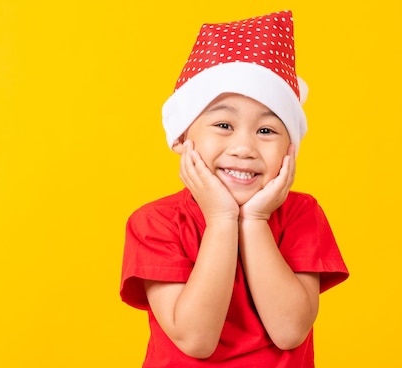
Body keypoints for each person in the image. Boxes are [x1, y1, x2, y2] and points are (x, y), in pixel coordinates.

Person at [120, 10, 349, 367]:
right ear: (182, 137)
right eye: (224, 124)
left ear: (290, 147)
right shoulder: (154, 223)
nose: (244, 148)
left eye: (267, 131)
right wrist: (222, 219)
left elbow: (290, 330)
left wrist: (255, 220)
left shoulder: (302, 214)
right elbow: (196, 340)